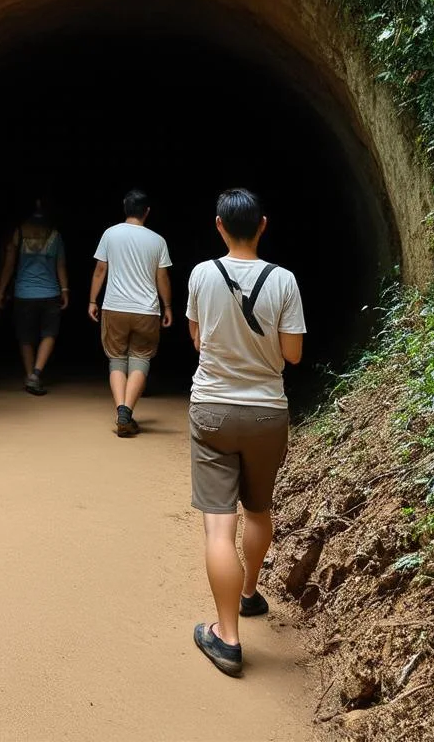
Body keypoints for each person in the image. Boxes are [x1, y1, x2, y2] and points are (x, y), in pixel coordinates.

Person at [185, 188, 305, 677]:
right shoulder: (285, 281)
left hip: (212, 409)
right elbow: (293, 354)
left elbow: (197, 339)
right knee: (259, 508)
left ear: (218, 225)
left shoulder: (200, 274)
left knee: (220, 525)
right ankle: (251, 592)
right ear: (262, 225)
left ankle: (227, 637)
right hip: (266, 414)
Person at [88, 189, 173, 437]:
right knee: (141, 358)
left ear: (125, 209)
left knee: (116, 359)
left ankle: (121, 412)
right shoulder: (158, 240)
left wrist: (92, 300)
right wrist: (167, 306)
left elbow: (99, 270)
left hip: (114, 306)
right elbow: (162, 278)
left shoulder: (110, 234)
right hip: (146, 310)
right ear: (147, 212)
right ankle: (126, 411)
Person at [0, 200, 70, 396]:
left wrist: (1, 291)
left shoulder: (18, 233)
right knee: (49, 333)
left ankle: (30, 374)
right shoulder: (55, 235)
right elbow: (60, 265)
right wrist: (65, 290)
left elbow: (9, 265)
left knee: (25, 336)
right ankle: (37, 373)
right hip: (50, 292)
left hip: (24, 293)